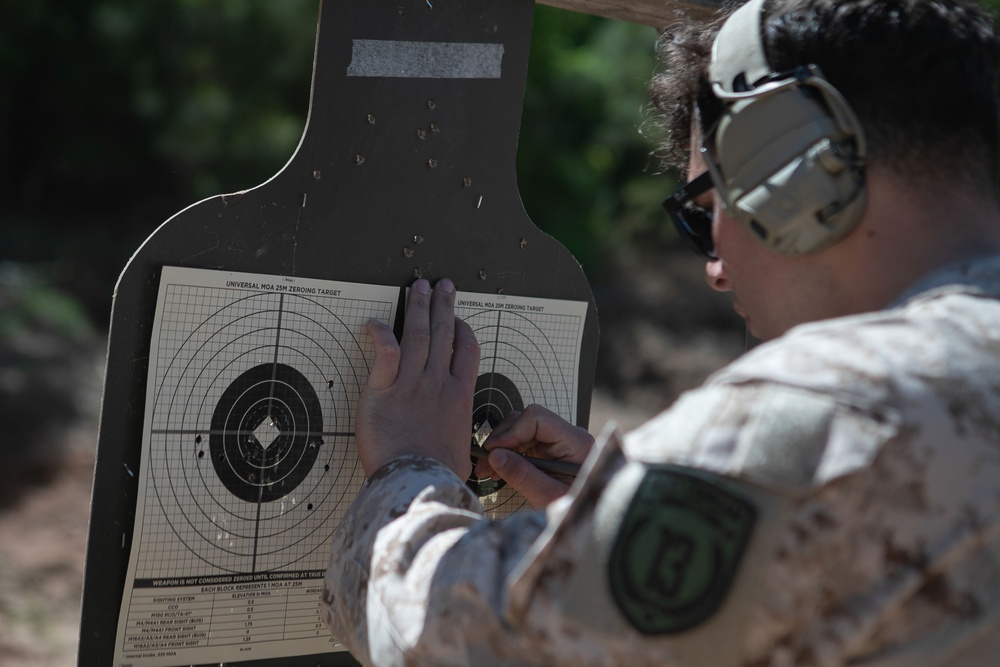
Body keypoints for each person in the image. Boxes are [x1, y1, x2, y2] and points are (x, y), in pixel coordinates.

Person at [321, 0, 1000, 664]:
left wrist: (412, 468)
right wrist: (631, 518)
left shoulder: (837, 403)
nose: (714, 269)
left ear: (792, 169)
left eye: (705, 209)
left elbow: (447, 638)